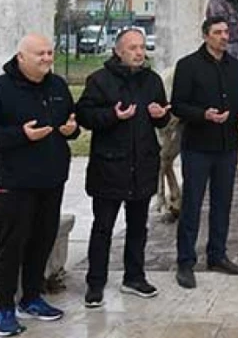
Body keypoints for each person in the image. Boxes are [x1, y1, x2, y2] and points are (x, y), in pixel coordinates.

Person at [0, 34, 78, 337]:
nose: (47, 58)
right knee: (11, 246)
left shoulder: (57, 86)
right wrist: (20, 135)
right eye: (40, 54)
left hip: (52, 179)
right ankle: (4, 307)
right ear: (21, 57)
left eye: (50, 52)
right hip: (15, 183)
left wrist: (72, 129)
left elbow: (71, 123)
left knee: (42, 241)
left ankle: (31, 297)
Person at [75, 28, 172, 308]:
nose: (140, 53)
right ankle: (95, 284)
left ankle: (134, 277)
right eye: (133, 48)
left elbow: (162, 120)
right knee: (103, 227)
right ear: (118, 51)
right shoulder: (99, 80)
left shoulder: (153, 80)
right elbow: (84, 115)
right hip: (109, 167)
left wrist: (161, 115)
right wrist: (112, 115)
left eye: (142, 47)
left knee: (138, 227)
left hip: (142, 165)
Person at [170, 16, 238, 289]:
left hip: (227, 147)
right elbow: (178, 106)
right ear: (206, 35)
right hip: (197, 146)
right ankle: (185, 262)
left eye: (226, 31)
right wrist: (202, 114)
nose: (224, 36)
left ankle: (217, 255)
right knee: (192, 205)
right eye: (218, 32)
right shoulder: (188, 66)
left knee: (223, 205)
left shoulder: (235, 67)